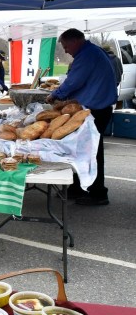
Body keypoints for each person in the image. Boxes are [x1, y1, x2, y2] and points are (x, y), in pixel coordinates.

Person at [46, 28, 117, 206]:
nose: (65, 50)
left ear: (75, 41)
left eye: (65, 45)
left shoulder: (87, 56)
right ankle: (79, 186)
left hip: (95, 110)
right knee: (82, 150)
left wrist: (56, 95)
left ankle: (98, 192)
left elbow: (73, 81)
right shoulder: (93, 52)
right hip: (96, 108)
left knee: (91, 152)